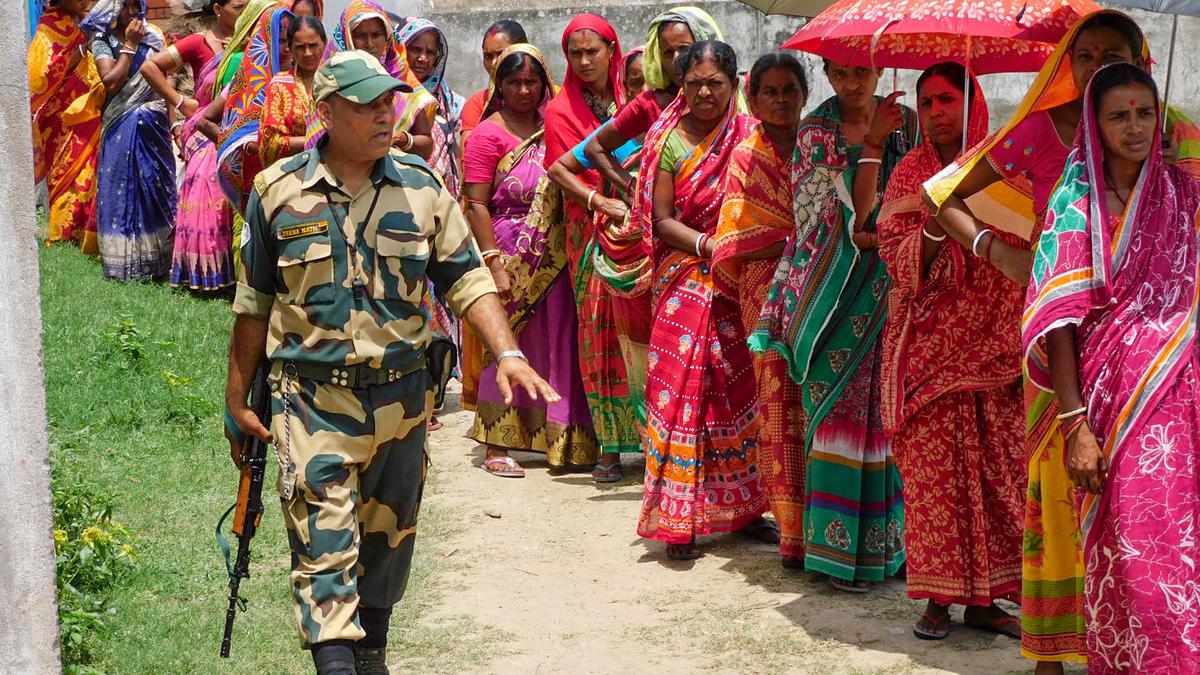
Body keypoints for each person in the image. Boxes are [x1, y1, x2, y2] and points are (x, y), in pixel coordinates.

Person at [226, 50, 558, 675]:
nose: (386, 114)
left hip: (403, 402)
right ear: (325, 112)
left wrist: (507, 350)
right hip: (314, 401)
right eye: (367, 105)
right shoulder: (277, 193)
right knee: (325, 557)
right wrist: (237, 397)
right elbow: (253, 303)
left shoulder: (421, 187)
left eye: (388, 102)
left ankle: (372, 654)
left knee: (386, 549)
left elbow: (466, 278)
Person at [923, 11, 1200, 670]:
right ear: (1067, 66)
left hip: (1162, 356)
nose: (1099, 64)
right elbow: (946, 197)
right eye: (1087, 55)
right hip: (1067, 349)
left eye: (1116, 53)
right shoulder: (1042, 134)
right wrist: (1000, 252)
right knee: (1057, 494)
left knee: (1152, 514)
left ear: (1145, 64)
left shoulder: (1175, 136)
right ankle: (1053, 647)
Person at [1024, 61, 1200, 673]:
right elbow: (1059, 324)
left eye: (1145, 114)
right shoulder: (1074, 205)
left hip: (1178, 398)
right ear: (1093, 127)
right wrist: (1076, 426)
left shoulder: (1184, 194)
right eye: (1119, 116)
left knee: (1177, 553)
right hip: (1107, 406)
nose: (1135, 128)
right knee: (1127, 556)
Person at [875, 61, 1025, 639]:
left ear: (973, 103)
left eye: (947, 100)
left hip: (994, 351)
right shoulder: (911, 172)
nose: (937, 113)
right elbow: (896, 260)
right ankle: (937, 600)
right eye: (927, 102)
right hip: (927, 351)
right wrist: (939, 224)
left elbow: (1026, 244)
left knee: (996, 474)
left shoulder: (1005, 170)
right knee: (935, 480)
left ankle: (986, 601)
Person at [750, 59, 914, 589]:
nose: (853, 82)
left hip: (890, 280)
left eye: (862, 70)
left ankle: (890, 550)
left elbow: (916, 193)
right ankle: (837, 556)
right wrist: (871, 147)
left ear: (880, 67)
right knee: (838, 412)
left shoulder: (906, 123)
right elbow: (826, 218)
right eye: (840, 73)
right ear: (826, 72)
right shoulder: (817, 131)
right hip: (831, 290)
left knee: (885, 414)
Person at [637, 40, 773, 560]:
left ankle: (742, 510)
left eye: (714, 82)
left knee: (738, 392)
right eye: (693, 83)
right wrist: (705, 245)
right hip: (687, 272)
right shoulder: (667, 141)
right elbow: (662, 218)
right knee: (680, 391)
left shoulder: (749, 138)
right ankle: (679, 519)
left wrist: (735, 250)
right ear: (680, 86)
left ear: (734, 84)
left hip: (740, 276)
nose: (703, 92)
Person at [462, 45, 597, 476]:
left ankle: (565, 440)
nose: (524, 89)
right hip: (509, 247)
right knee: (508, 340)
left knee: (561, 337)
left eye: (532, 81)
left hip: (558, 248)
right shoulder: (486, 135)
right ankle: (499, 441)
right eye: (514, 82)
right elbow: (476, 204)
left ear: (544, 84)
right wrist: (494, 263)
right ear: (498, 86)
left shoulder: (555, 125)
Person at [711, 51, 808, 568]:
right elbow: (737, 238)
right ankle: (792, 529)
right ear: (753, 96)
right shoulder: (746, 156)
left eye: (789, 89)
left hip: (825, 286)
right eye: (769, 91)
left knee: (819, 401)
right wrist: (797, 239)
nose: (780, 99)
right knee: (777, 404)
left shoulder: (821, 146)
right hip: (768, 294)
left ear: (804, 95)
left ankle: (828, 524)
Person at [545, 46, 649, 484]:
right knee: (605, 343)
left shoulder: (695, 130)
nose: (646, 90)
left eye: (654, 80)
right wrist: (609, 196)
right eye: (638, 81)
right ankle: (610, 446)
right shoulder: (620, 126)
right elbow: (561, 167)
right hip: (614, 246)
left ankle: (660, 447)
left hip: (668, 250)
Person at [141, 0, 247, 290]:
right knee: (210, 181)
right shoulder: (199, 43)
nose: (243, 11)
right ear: (217, 9)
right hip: (203, 128)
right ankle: (204, 271)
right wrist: (179, 103)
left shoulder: (252, 43)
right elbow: (150, 67)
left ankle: (236, 270)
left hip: (240, 126)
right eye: (238, 6)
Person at [583, 6, 721, 193]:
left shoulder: (729, 99)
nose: (676, 59)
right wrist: (633, 188)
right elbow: (593, 148)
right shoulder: (650, 103)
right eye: (667, 52)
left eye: (684, 49)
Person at [84, 0, 176, 281]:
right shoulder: (102, 40)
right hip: (121, 126)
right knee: (124, 191)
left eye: (139, 6)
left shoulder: (154, 36)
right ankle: (124, 265)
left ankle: (160, 261)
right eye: (128, 7)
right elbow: (111, 81)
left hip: (154, 127)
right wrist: (130, 47)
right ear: (115, 10)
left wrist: (174, 125)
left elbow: (167, 83)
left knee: (156, 187)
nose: (135, 13)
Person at [28, 0, 106, 253]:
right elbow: (38, 77)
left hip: (90, 114)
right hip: (61, 119)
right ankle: (63, 233)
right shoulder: (49, 27)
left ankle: (88, 232)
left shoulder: (86, 24)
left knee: (91, 172)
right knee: (66, 176)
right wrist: (79, 49)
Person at [316, 1, 433, 158]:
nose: (369, 44)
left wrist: (403, 139)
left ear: (387, 37)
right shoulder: (331, 80)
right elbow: (317, 139)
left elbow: (426, 143)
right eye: (360, 36)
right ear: (346, 37)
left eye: (376, 35)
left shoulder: (401, 78)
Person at [216, 4, 293, 213]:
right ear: (265, 41)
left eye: (290, 41)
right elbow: (207, 119)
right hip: (257, 184)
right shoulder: (250, 80)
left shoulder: (304, 79)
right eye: (280, 40)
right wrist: (244, 145)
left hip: (297, 182)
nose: (287, 48)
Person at [258, 15, 326, 168]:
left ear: (325, 43)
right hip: (294, 173)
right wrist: (321, 141)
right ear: (290, 48)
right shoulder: (280, 85)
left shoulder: (339, 80)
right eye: (300, 47)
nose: (308, 53)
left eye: (313, 45)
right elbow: (269, 144)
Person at [461, 20, 527, 139]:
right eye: (488, 56)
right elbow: (467, 156)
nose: (494, 63)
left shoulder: (552, 97)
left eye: (501, 53)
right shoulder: (477, 105)